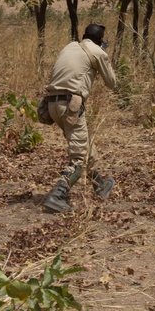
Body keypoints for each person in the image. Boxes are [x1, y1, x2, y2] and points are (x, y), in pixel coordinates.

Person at [42, 23, 117, 213]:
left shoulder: (70, 46)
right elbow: (112, 83)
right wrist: (103, 56)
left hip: (51, 105)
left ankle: (99, 185)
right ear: (100, 40)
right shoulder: (98, 52)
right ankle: (57, 194)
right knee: (78, 156)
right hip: (71, 106)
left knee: (85, 145)